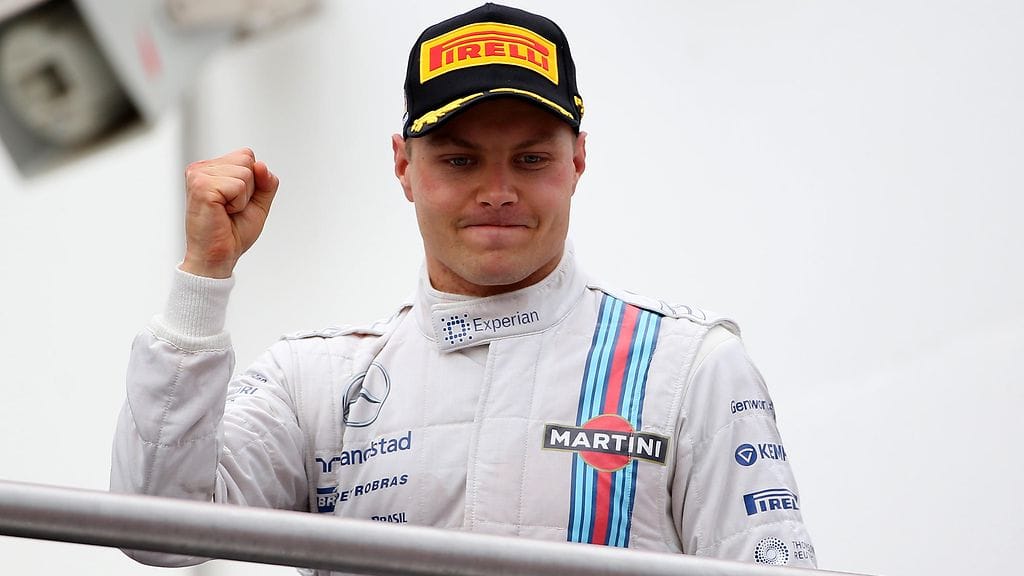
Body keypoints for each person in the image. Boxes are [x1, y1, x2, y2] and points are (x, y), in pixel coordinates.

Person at [111, 2, 816, 573]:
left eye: (531, 158)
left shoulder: (689, 368)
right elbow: (160, 531)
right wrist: (203, 278)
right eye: (460, 159)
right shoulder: (315, 381)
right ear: (403, 166)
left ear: (578, 160)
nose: (498, 190)